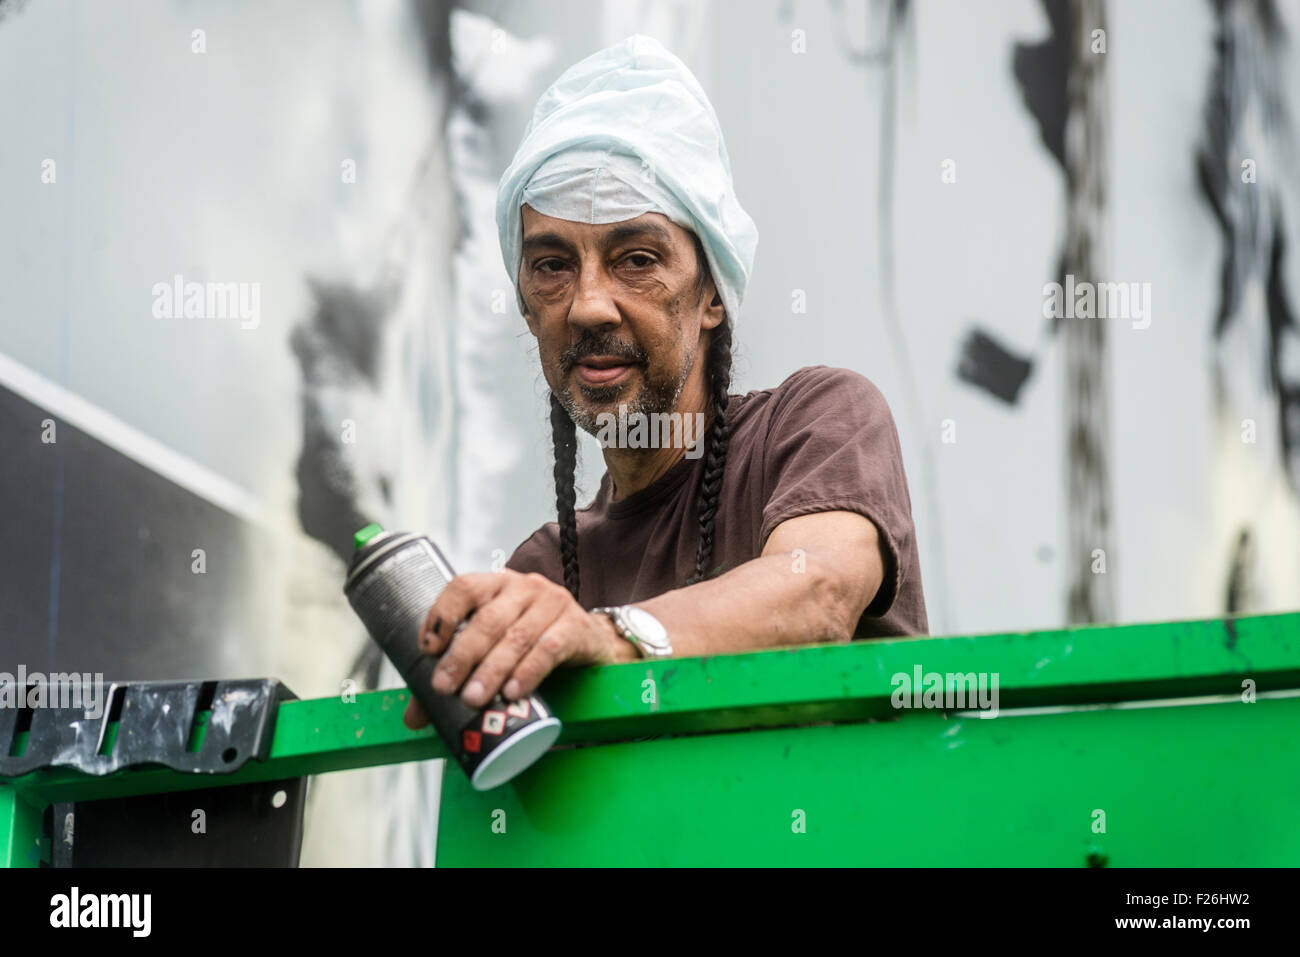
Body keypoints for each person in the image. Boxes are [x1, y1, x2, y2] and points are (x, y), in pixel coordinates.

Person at [405, 35, 927, 730]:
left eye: (637, 258)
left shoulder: (818, 425)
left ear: (713, 294)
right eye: (552, 265)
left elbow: (817, 595)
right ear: (528, 309)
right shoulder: (545, 576)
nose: (588, 303)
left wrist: (607, 637)